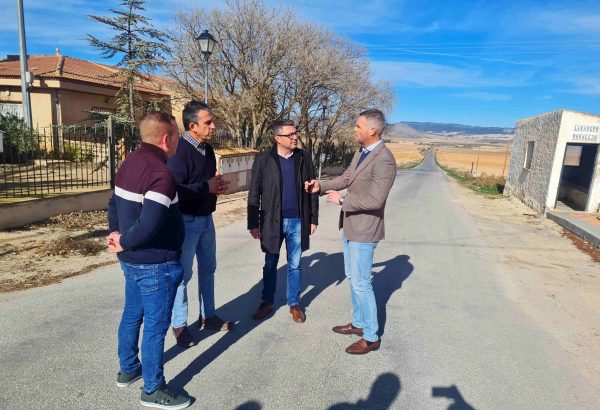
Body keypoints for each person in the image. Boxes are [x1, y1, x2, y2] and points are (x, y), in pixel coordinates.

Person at [107, 112, 190, 409]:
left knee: (133, 314)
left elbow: (113, 201)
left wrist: (116, 235)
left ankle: (129, 368)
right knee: (156, 326)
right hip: (156, 263)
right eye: (178, 136)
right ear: (166, 139)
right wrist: (124, 239)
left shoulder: (129, 162)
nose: (179, 141)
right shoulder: (161, 174)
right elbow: (150, 223)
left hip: (131, 260)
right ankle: (153, 389)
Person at [305, 109, 396, 355]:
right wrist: (320, 186)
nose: (354, 129)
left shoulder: (384, 160)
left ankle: (371, 336)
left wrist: (343, 202)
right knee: (353, 278)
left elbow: (376, 200)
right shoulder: (361, 152)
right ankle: (358, 323)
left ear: (372, 130)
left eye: (358, 126)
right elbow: (346, 178)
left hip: (365, 230)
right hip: (350, 227)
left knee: (362, 283)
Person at [167, 100, 230, 348]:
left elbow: (206, 183)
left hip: (206, 218)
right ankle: (179, 325)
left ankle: (208, 315)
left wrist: (216, 188)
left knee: (209, 269)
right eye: (208, 122)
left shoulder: (208, 150)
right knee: (183, 275)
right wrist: (206, 187)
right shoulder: (179, 151)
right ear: (193, 126)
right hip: (186, 220)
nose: (214, 126)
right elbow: (174, 190)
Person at [247, 119, 319, 322]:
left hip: (298, 221)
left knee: (295, 265)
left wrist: (313, 218)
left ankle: (294, 303)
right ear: (277, 138)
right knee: (270, 263)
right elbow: (254, 192)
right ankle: (267, 302)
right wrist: (253, 222)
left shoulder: (304, 157)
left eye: (296, 133)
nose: (295, 137)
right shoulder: (263, 159)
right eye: (290, 135)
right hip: (272, 221)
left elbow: (313, 190)